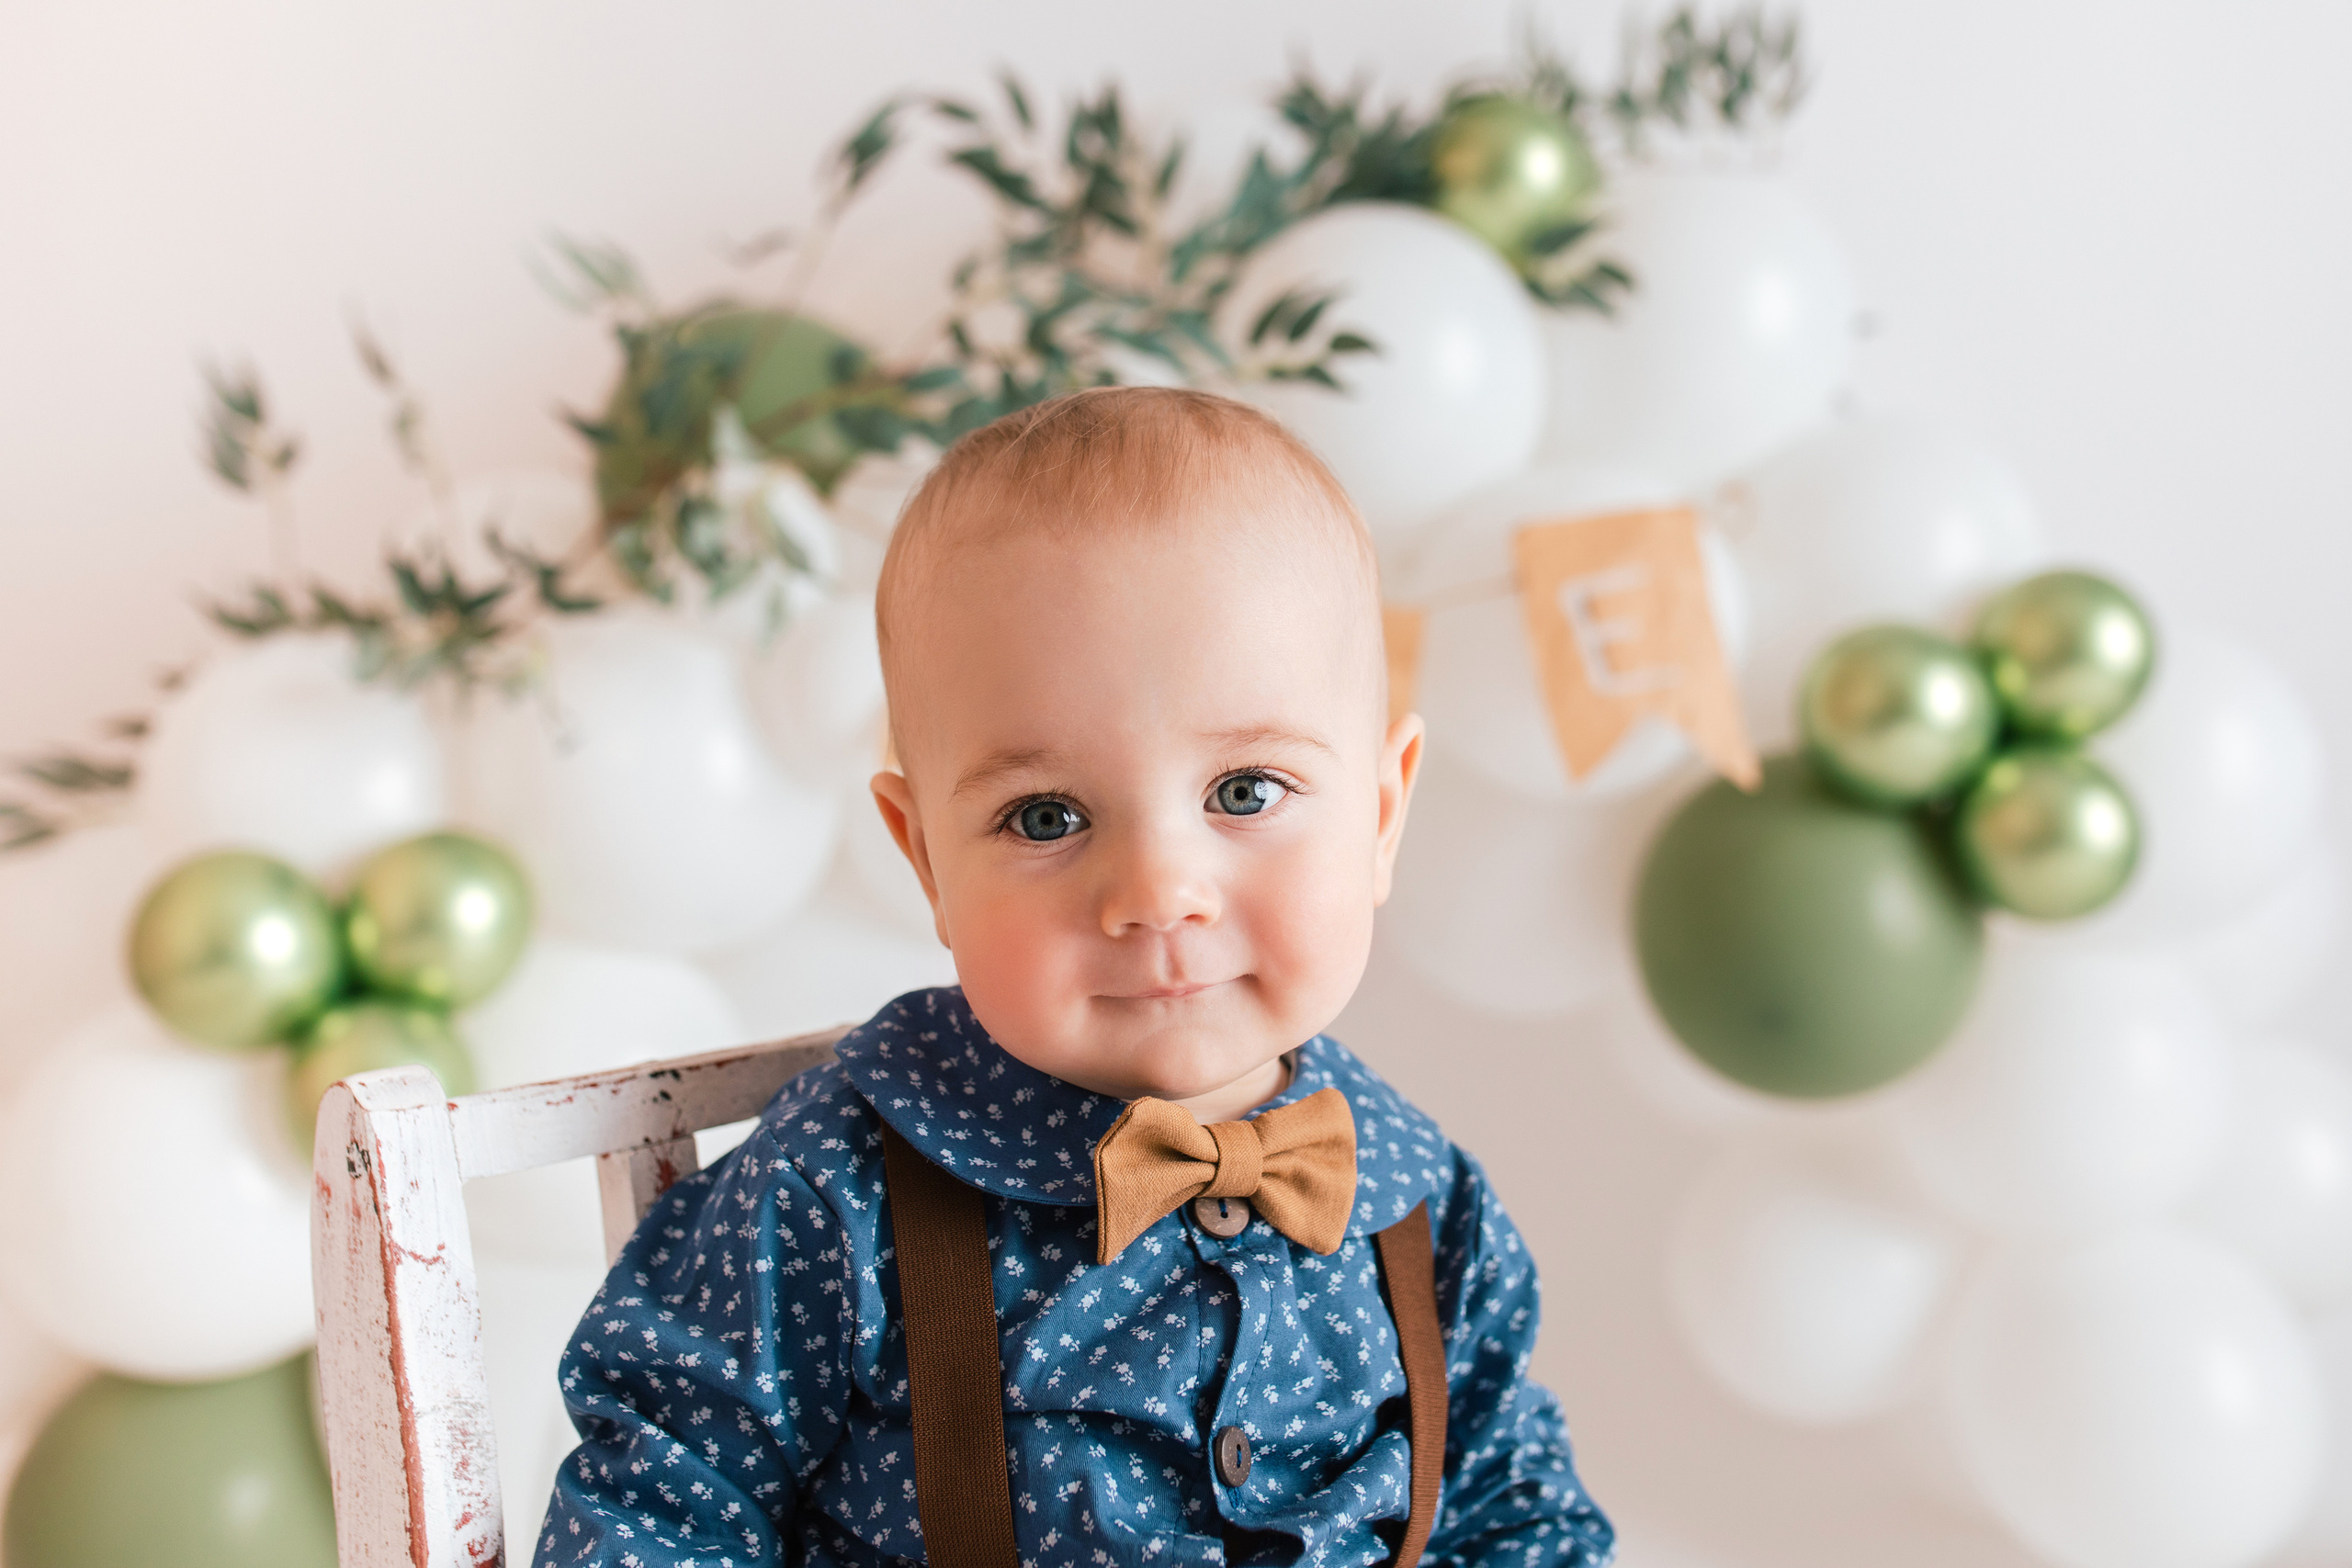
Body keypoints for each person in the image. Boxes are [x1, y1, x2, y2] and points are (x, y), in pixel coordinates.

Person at [534, 387, 1614, 1568]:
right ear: (926, 861)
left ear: (1380, 816)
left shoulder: (1417, 1200)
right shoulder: (837, 1190)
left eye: (1244, 792)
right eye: (1046, 815)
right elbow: (664, 1502)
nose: (1159, 889)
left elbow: (1511, 1508)